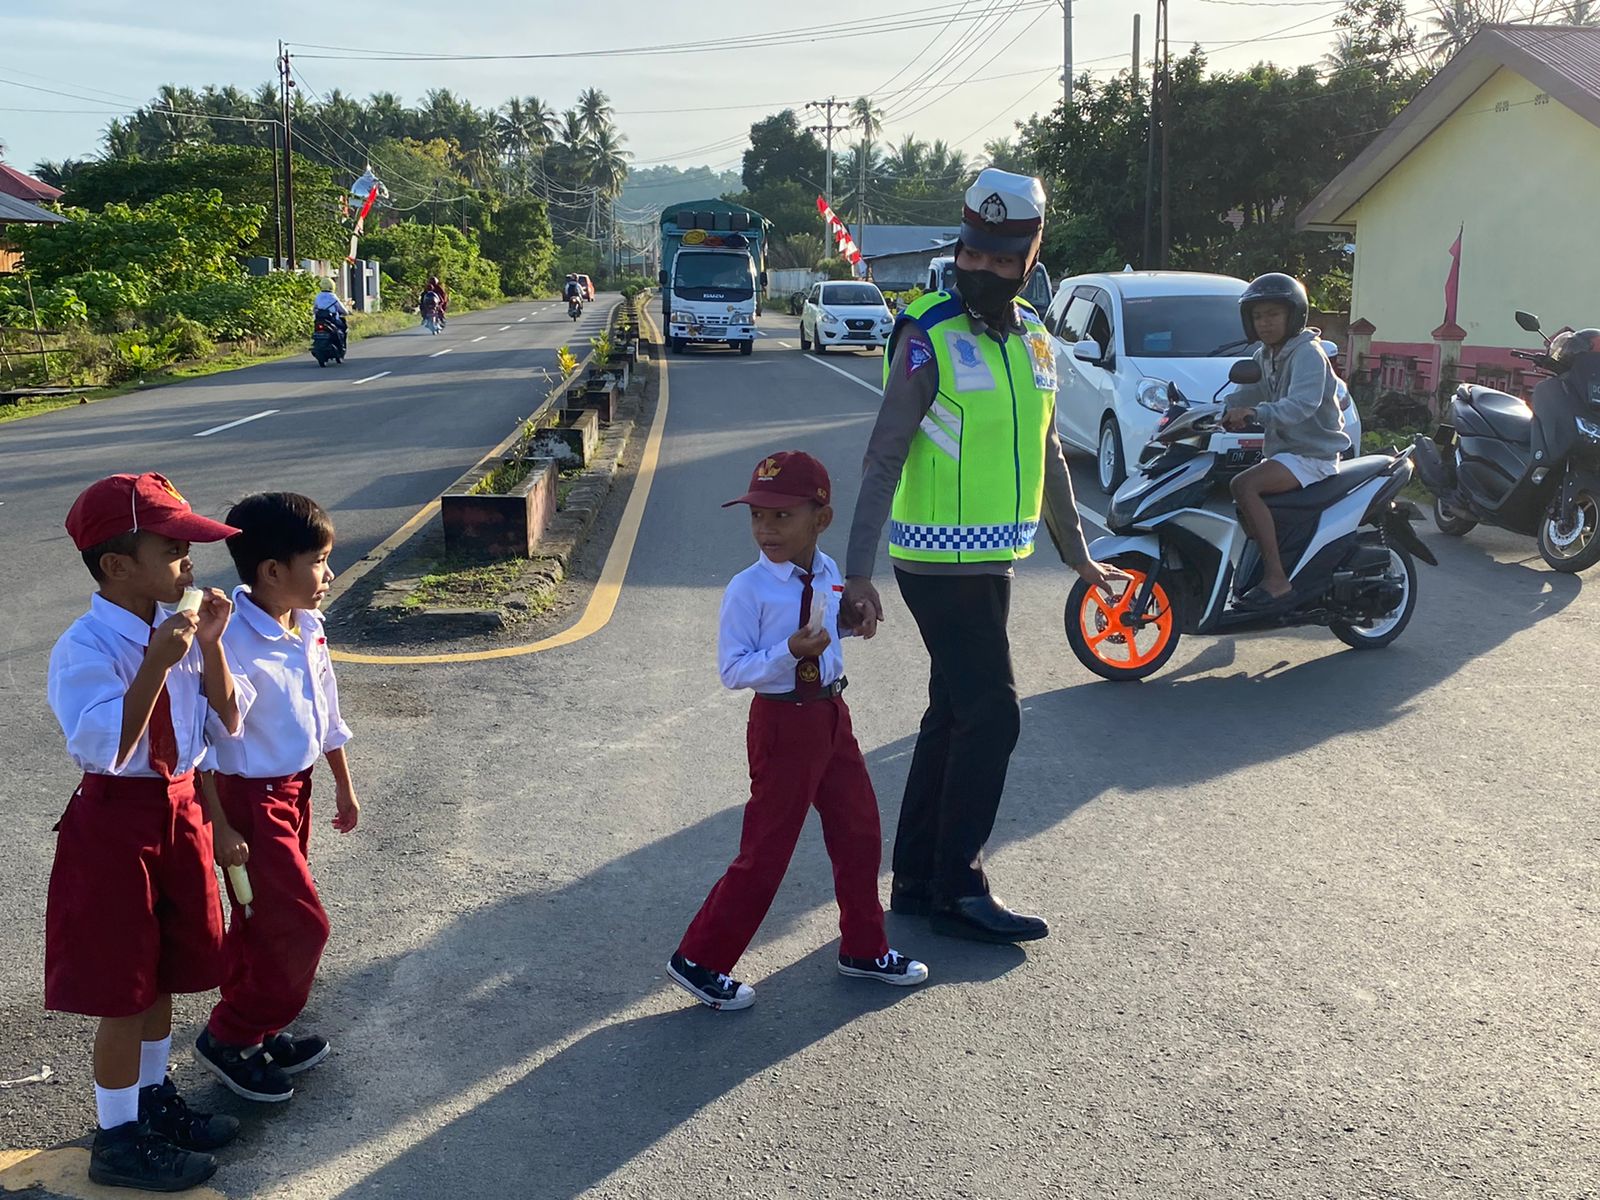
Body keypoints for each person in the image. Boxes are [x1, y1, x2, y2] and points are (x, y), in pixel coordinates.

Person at [843, 168, 1126, 945]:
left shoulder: (1036, 336)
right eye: (976, 255)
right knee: (995, 716)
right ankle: (961, 884)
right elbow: (884, 456)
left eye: (1005, 261)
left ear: (1029, 259)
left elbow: (1050, 456)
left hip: (992, 559)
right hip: (934, 563)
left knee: (954, 714)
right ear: (961, 247)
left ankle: (919, 879)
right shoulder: (926, 332)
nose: (986, 272)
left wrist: (1080, 555)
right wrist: (857, 573)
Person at [46, 472, 250, 1192]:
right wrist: (158, 665)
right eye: (174, 549)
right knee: (123, 989)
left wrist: (213, 645)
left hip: (179, 810)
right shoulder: (87, 647)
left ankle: (152, 1096)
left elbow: (230, 717)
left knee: (166, 970)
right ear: (117, 567)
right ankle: (117, 1136)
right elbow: (106, 747)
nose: (190, 563)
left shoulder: (185, 631)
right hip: (116, 824)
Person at [668, 451, 928, 1011]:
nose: (766, 529)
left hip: (832, 715)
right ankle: (700, 959)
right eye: (757, 516)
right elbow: (734, 670)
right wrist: (789, 652)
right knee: (767, 851)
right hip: (782, 722)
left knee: (860, 833)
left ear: (821, 519)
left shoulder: (830, 572)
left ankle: (863, 947)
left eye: (782, 516)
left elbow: (823, 628)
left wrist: (850, 624)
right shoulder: (748, 589)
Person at [195, 492, 358, 1104]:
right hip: (248, 803)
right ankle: (229, 1035)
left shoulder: (306, 624)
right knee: (301, 926)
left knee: (261, 920)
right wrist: (219, 825)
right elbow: (212, 735)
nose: (328, 574)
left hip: (296, 790)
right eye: (318, 560)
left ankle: (258, 1028)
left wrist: (342, 781)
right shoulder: (229, 638)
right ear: (271, 571)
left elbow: (327, 710)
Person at [1220, 273, 1351, 608]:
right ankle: (1263, 570)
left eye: (1273, 314)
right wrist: (1211, 413)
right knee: (1243, 497)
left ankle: (1277, 581)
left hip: (1313, 455)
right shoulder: (1265, 356)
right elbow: (1242, 395)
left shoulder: (1308, 353)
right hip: (1286, 454)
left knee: (1244, 486)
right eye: (1258, 316)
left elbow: (1301, 405)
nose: (1264, 323)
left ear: (1293, 315)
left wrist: (1256, 413)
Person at [312, 280, 347, 356]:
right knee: (343, 328)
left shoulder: (318, 296)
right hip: (332, 320)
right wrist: (346, 312)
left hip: (319, 320)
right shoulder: (333, 297)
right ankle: (341, 347)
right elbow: (342, 310)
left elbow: (314, 309)